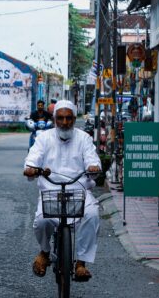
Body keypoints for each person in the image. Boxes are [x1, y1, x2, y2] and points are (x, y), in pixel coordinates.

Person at [23, 100, 102, 281]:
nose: (64, 122)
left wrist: (93, 167)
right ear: (54, 119)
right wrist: (31, 168)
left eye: (68, 118)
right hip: (51, 191)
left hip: (79, 191)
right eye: (60, 118)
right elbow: (32, 159)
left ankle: (81, 262)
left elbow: (92, 159)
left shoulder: (84, 138)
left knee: (92, 215)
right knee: (42, 221)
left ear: (74, 119)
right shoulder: (43, 138)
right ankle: (44, 252)